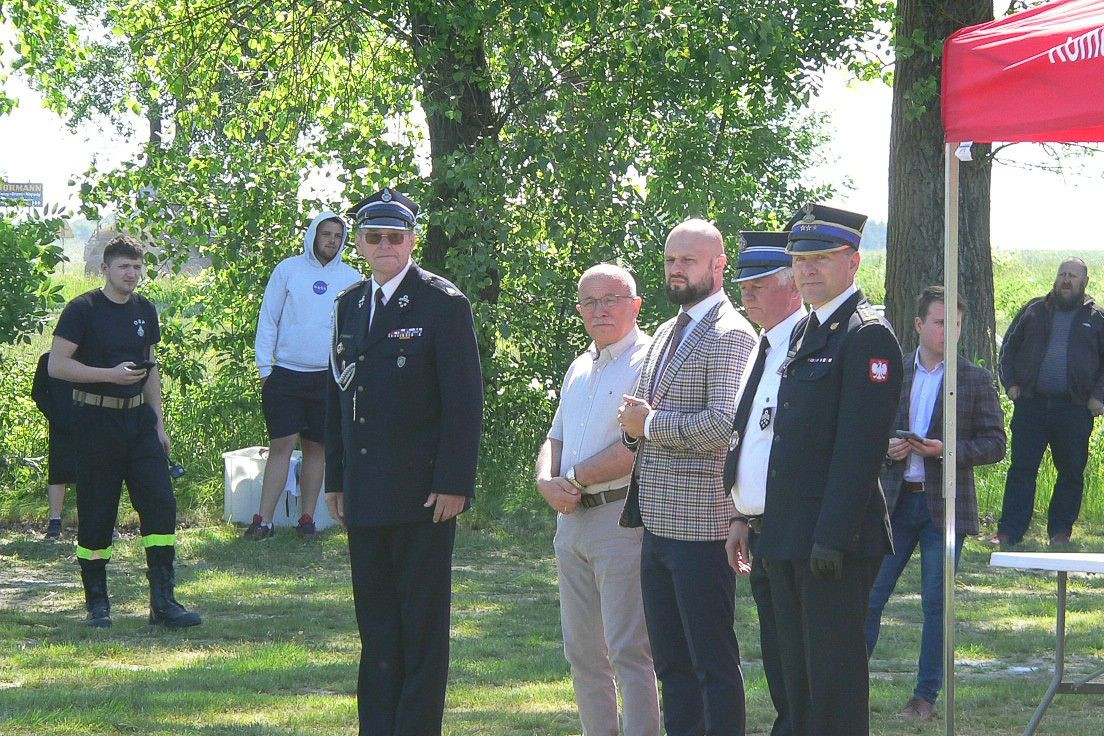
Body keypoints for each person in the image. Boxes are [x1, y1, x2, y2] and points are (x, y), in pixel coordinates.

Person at [324, 187, 483, 736]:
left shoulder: (442, 302)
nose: (385, 246)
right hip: (366, 491)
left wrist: (455, 481)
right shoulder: (348, 305)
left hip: (423, 494)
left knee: (421, 627)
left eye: (395, 236)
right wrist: (336, 477)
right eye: (374, 237)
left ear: (412, 240)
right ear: (359, 243)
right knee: (376, 626)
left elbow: (464, 402)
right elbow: (338, 397)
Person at [756, 204, 902, 735]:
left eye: (821, 258)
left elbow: (859, 451)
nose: (808, 269)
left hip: (834, 542)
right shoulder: (805, 330)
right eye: (800, 260)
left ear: (854, 262)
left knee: (833, 689)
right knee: (795, 686)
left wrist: (832, 539)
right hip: (789, 536)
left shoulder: (866, 335)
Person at [617, 218, 756, 736]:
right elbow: (645, 416)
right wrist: (634, 427)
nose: (676, 270)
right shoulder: (667, 330)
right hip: (657, 524)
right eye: (671, 260)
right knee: (671, 666)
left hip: (703, 527)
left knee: (712, 665)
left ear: (718, 265)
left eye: (688, 261)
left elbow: (723, 425)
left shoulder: (731, 334)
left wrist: (649, 424)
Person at [865, 286, 1006, 721]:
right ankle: (848, 685)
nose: (949, 331)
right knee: (869, 596)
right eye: (941, 322)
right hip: (894, 502)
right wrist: (886, 448)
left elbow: (995, 444)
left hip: (944, 507)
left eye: (956, 324)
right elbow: (866, 430)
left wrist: (946, 451)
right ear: (919, 324)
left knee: (935, 605)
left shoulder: (974, 379)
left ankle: (924, 698)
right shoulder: (892, 373)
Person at [48, 234, 201, 629]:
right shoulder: (82, 309)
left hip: (139, 423)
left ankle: (163, 603)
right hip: (95, 422)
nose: (132, 273)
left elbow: (151, 367)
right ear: (105, 269)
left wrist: (159, 422)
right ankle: (97, 604)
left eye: (137, 267)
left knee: (161, 505)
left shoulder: (145, 309)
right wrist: (109, 376)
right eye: (124, 267)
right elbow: (57, 366)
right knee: (97, 512)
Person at [535, 263, 660, 736]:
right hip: (571, 521)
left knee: (629, 650)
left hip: (620, 518)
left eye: (611, 299)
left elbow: (635, 448)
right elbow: (555, 437)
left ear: (636, 305)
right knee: (583, 653)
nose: (600, 309)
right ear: (579, 310)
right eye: (590, 302)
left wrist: (570, 479)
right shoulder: (580, 366)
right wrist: (545, 480)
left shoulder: (650, 362)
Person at [722, 232, 805, 736]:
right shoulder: (764, 343)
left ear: (792, 284)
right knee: (776, 653)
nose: (747, 295)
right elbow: (750, 439)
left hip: (793, 526)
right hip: (758, 527)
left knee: (797, 657)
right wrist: (739, 514)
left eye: (759, 285)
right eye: (744, 286)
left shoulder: (805, 344)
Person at [246, 212, 361, 540]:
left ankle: (307, 520)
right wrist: (265, 369)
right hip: (285, 375)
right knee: (281, 445)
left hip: (327, 378)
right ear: (313, 235)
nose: (331, 241)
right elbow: (268, 320)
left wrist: (347, 375)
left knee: (317, 449)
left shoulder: (351, 278)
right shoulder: (288, 270)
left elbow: (354, 332)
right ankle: (263, 521)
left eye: (337, 236)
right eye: (326, 234)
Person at [992, 258, 1104, 547]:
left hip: (1075, 408)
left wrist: (1099, 396)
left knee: (1071, 473)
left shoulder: (1096, 318)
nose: (1066, 280)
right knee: (1021, 469)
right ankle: (1008, 532)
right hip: (1032, 404)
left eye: (1073, 276)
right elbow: (1008, 349)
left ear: (1084, 282)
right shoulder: (1034, 310)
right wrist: (1010, 384)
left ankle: (1060, 532)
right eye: (1062, 274)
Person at [32, 350, 76, 540]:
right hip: (60, 426)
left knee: (95, 472)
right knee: (58, 472)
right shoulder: (48, 360)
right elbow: (38, 392)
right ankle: (55, 522)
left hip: (92, 425)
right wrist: (56, 416)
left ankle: (102, 522)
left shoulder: (91, 356)